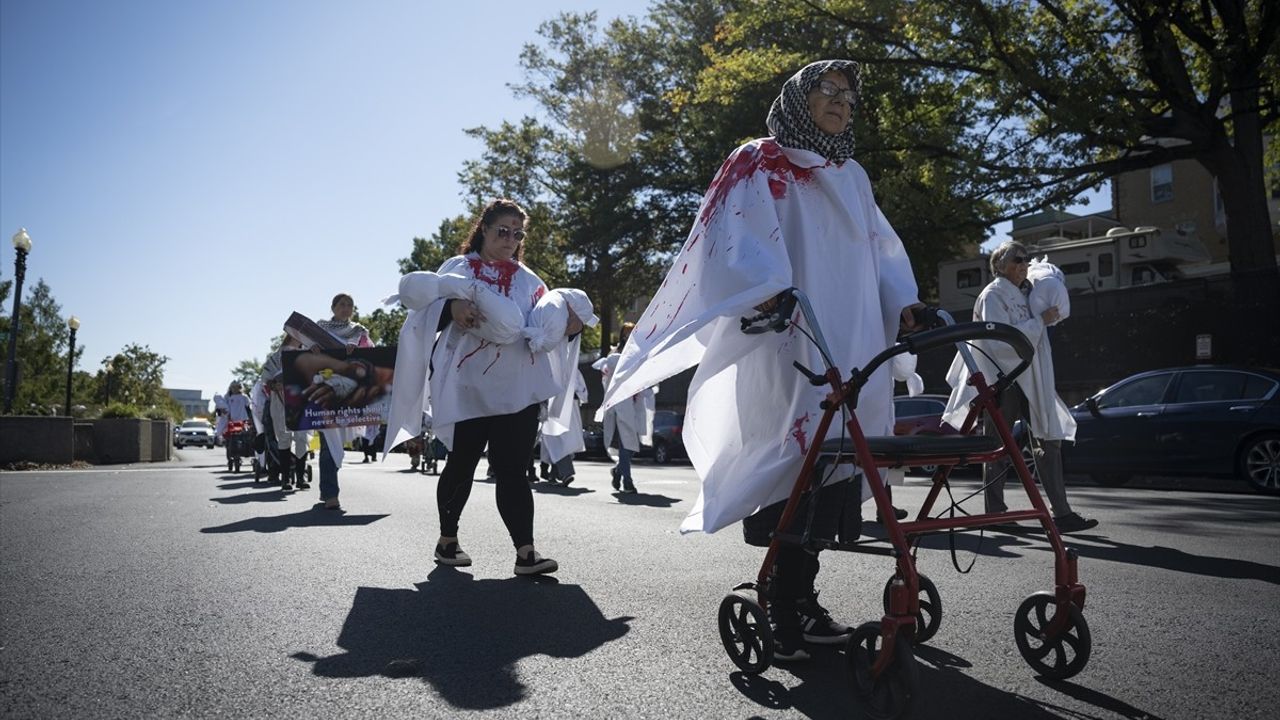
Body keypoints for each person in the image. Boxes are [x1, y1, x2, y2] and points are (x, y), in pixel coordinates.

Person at [600, 60, 922, 662]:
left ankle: (801, 593)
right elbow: (729, 234)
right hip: (787, 335)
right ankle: (781, 596)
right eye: (829, 91)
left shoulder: (851, 176)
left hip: (851, 338)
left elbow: (881, 247)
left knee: (837, 461)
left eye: (850, 98)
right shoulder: (759, 159)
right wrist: (762, 287)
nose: (842, 103)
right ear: (800, 98)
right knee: (794, 454)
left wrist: (903, 302)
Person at [386, 198, 561, 576]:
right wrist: (450, 310)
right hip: (469, 385)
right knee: (462, 462)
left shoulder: (531, 282)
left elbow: (545, 326)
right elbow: (420, 314)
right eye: (503, 231)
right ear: (483, 229)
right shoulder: (458, 270)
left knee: (513, 469)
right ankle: (448, 540)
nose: (510, 239)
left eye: (518, 233)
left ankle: (525, 553)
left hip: (518, 389)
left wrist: (567, 325)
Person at [941, 241, 1098, 534]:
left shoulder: (1027, 292)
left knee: (1049, 438)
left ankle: (1061, 513)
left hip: (1032, 376)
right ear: (1001, 265)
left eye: (1026, 259)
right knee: (999, 446)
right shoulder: (993, 295)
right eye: (1018, 259)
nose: (1025, 264)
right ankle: (996, 512)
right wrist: (1041, 321)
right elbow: (997, 340)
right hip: (1005, 379)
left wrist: (1047, 314)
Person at [526, 288, 599, 486]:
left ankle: (545, 470)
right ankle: (549, 470)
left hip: (550, 395)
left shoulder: (553, 332)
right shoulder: (550, 323)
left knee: (552, 435)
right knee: (551, 435)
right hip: (544, 393)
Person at [309, 293, 375, 510]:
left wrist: (358, 349)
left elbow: (372, 357)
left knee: (338, 446)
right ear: (333, 307)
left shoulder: (359, 331)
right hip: (326, 392)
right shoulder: (320, 329)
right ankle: (330, 494)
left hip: (349, 394)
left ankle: (326, 488)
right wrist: (314, 348)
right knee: (329, 443)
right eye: (342, 304)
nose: (346, 308)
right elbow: (305, 352)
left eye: (350, 305)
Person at [593, 323, 654, 494]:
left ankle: (618, 470)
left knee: (631, 446)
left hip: (635, 405)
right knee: (625, 445)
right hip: (619, 406)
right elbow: (607, 379)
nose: (629, 337)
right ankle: (628, 481)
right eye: (626, 333)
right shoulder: (614, 356)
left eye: (632, 333)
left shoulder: (639, 354)